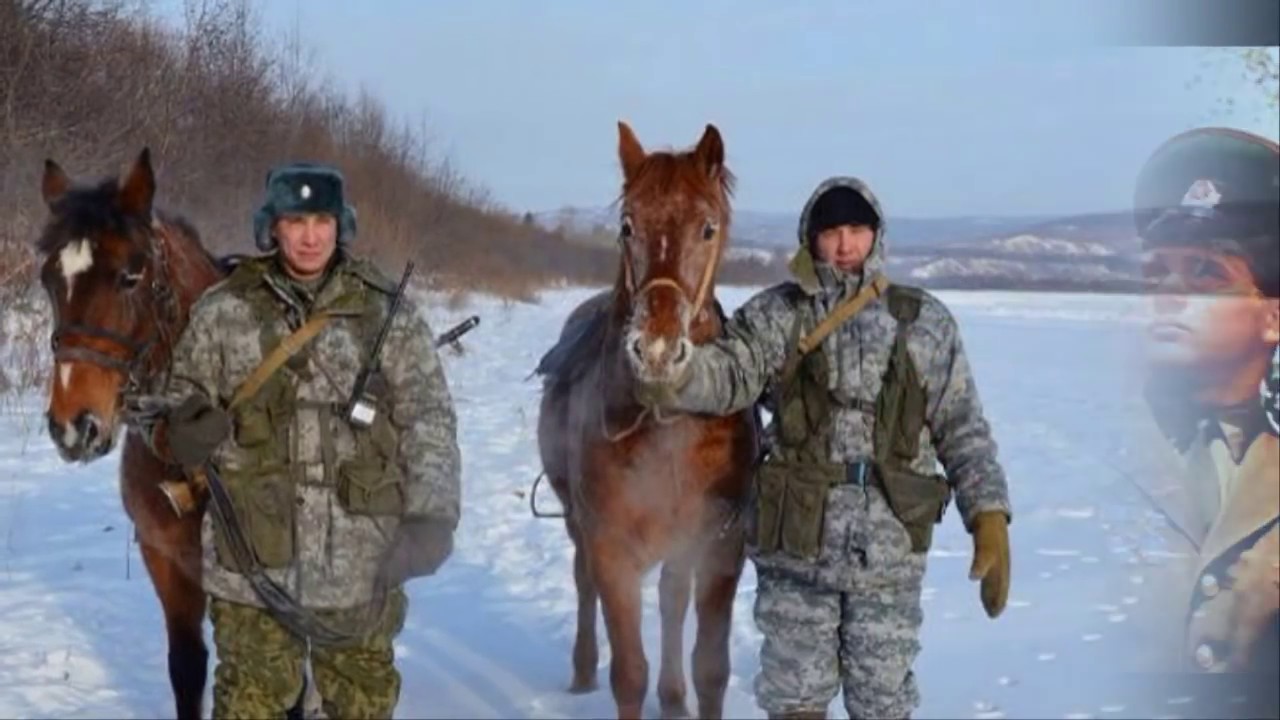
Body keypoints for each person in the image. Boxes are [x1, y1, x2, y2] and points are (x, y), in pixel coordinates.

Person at [635, 176, 1012, 719]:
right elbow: (730, 376)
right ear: (810, 238)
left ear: (876, 235)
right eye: (832, 231)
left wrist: (989, 514)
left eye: (857, 230)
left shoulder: (923, 321)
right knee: (795, 701)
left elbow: (962, 426)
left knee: (883, 702)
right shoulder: (777, 316)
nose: (844, 244)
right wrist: (676, 373)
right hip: (797, 551)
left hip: (889, 552)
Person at [141, 162, 461, 719]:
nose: (310, 236)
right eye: (295, 220)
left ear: (342, 226)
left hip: (362, 567)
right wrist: (178, 428)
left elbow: (428, 417)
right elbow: (164, 404)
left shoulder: (385, 312)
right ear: (273, 227)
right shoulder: (225, 311)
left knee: (361, 707)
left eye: (322, 220)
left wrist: (432, 515)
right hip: (251, 569)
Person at [1125, 127, 1278, 702]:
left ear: (1273, 316)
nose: (1170, 291)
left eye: (1207, 274)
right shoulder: (1096, 446)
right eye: (1156, 272)